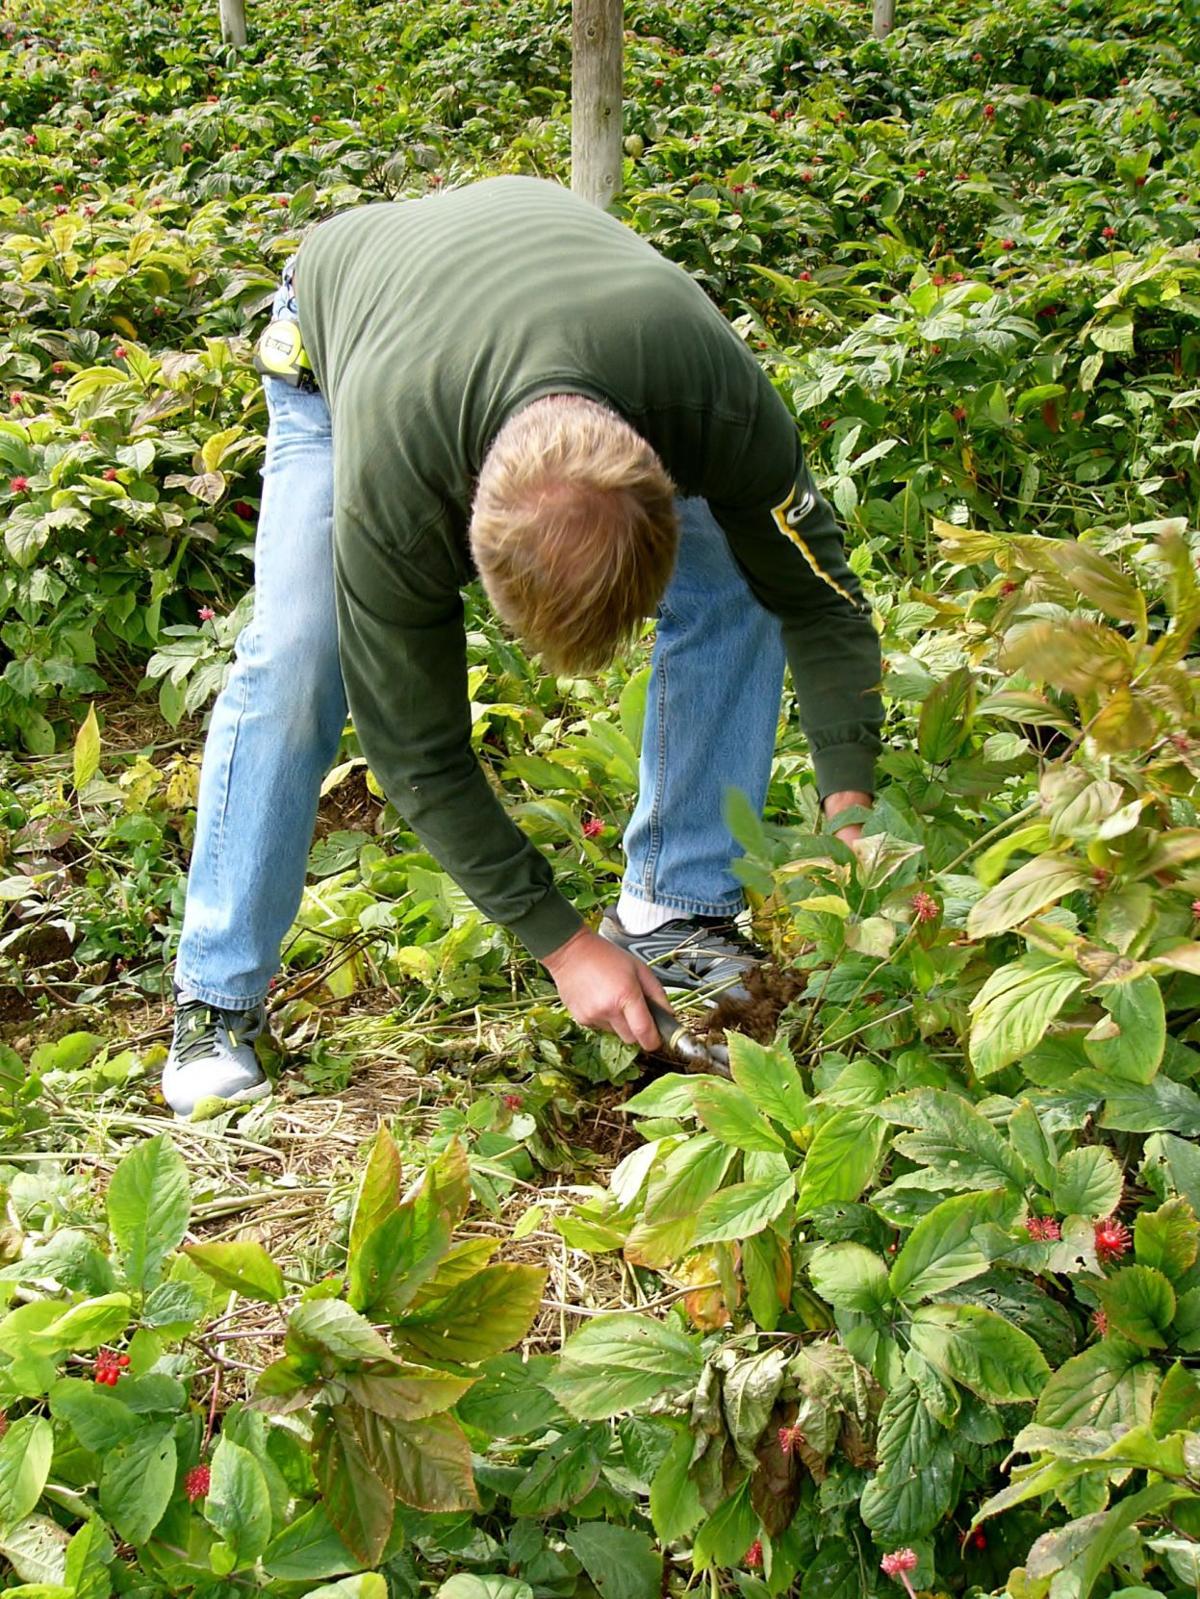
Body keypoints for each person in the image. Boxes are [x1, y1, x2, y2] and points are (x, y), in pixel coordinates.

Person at [163, 175, 881, 1116]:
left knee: (746, 573)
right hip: (342, 333)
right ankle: (216, 996)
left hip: (581, 308)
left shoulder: (716, 404)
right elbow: (416, 748)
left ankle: (678, 908)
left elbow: (819, 602)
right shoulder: (397, 486)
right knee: (301, 658)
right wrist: (563, 944)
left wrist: (850, 811)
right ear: (463, 535)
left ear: (664, 485)